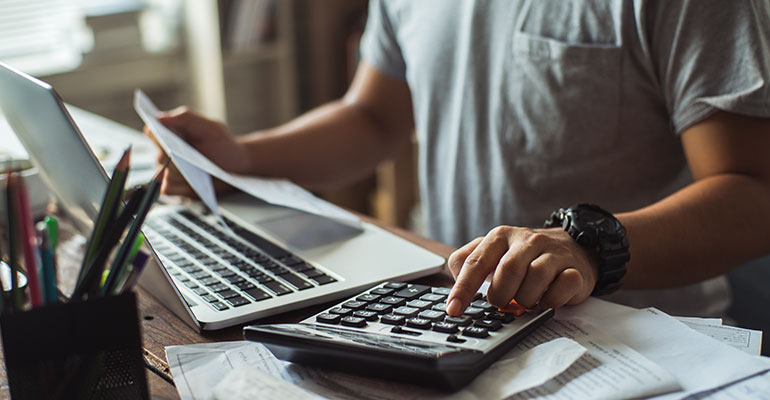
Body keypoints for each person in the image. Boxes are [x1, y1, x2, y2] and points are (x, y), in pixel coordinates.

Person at [147, 0, 770, 319]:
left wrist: (585, 244)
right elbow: (374, 117)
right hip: (455, 318)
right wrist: (242, 157)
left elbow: (750, 192)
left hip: (632, 345)